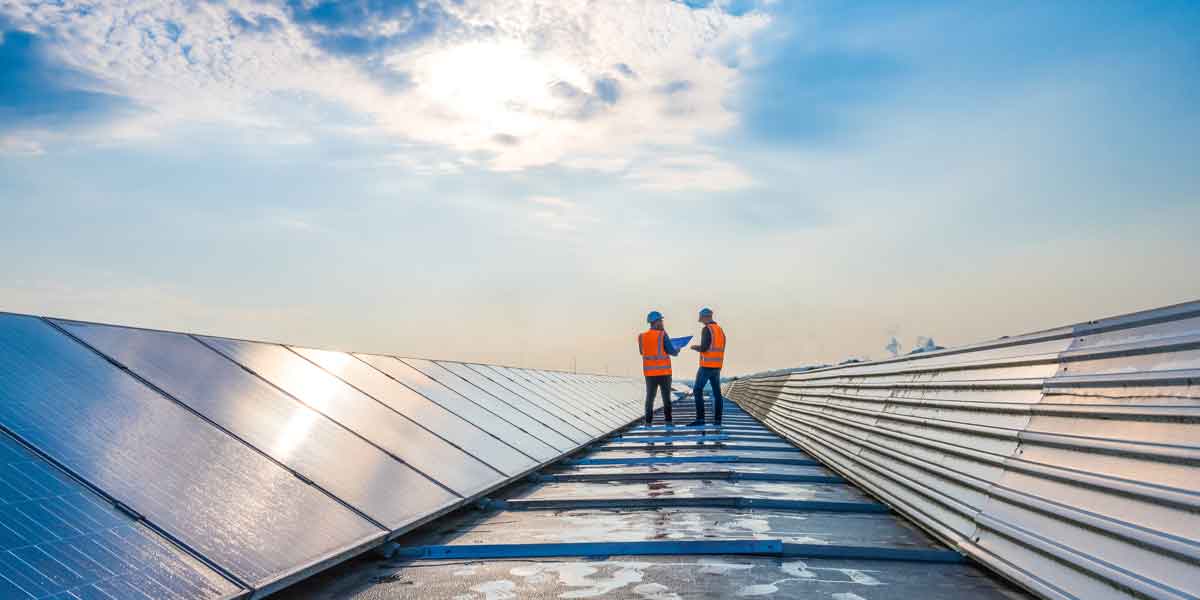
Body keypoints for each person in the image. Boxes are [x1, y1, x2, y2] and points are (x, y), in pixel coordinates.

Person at [638, 310, 679, 426]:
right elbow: (672, 351)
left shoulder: (641, 337)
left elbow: (642, 352)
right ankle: (668, 422)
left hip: (649, 374)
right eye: (661, 320)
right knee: (666, 398)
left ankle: (648, 422)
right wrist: (677, 349)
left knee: (650, 398)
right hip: (664, 372)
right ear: (655, 322)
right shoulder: (663, 335)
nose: (662, 323)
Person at [689, 307, 726, 426]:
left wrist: (695, 348)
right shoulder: (720, 330)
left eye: (701, 318)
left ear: (705, 317)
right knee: (717, 393)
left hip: (706, 366)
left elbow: (704, 347)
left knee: (697, 390)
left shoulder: (707, 329)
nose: (701, 321)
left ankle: (700, 419)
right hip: (717, 366)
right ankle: (718, 420)